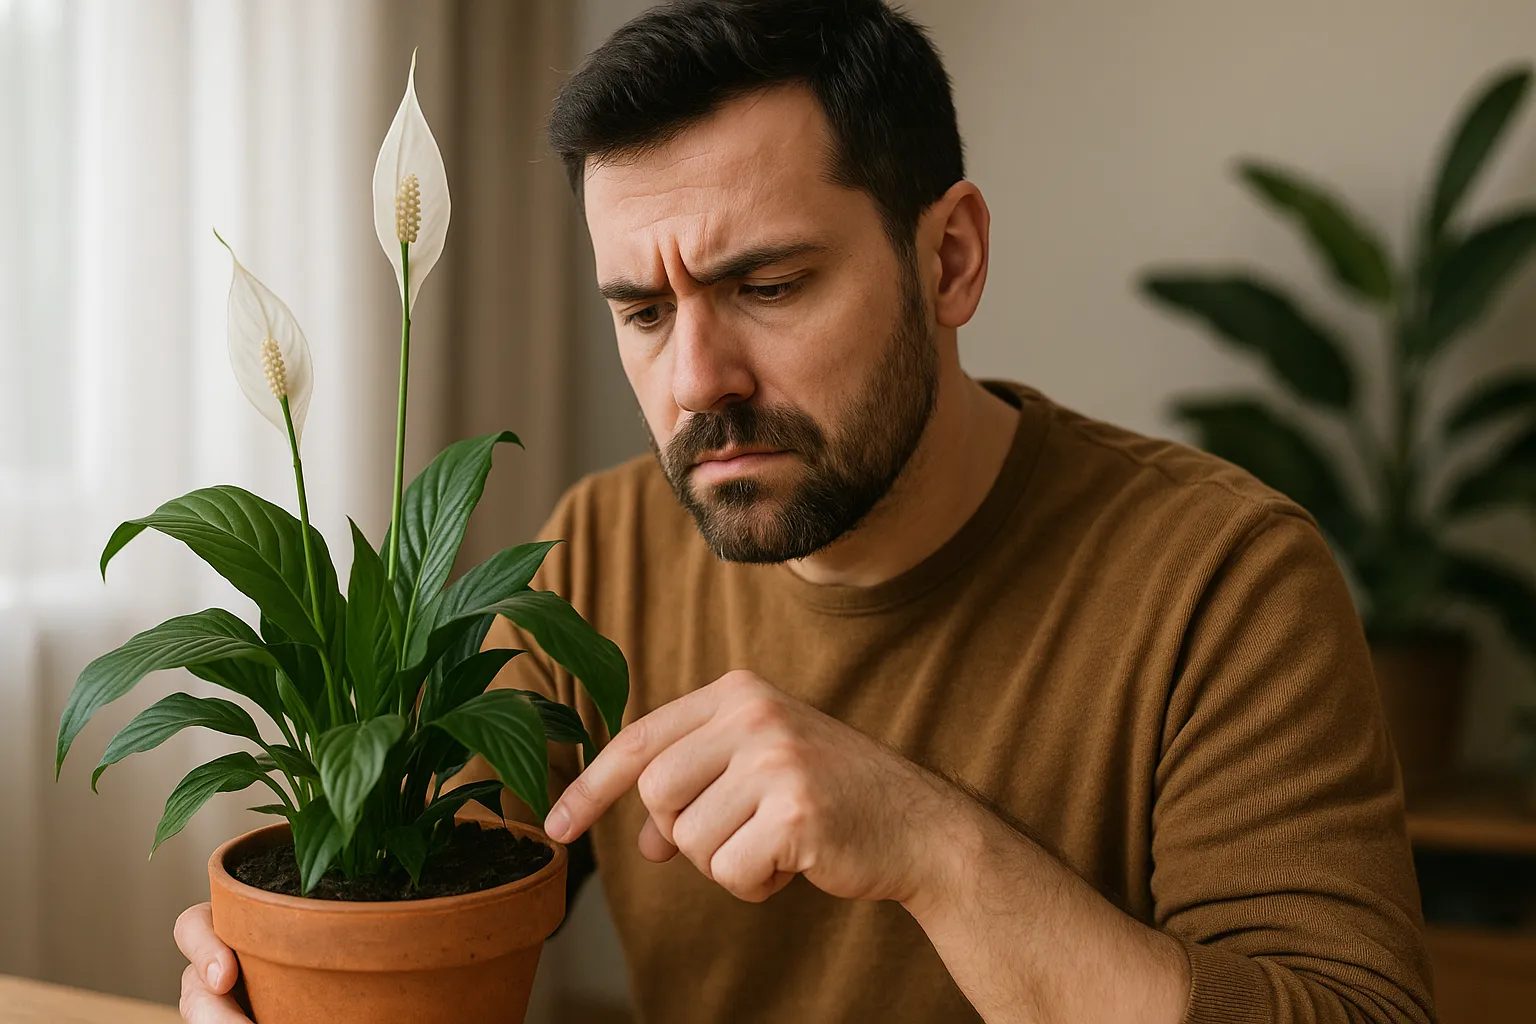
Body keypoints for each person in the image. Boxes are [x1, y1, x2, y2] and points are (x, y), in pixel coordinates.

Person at [176, 2, 1436, 1021]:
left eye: (768, 284)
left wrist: (936, 845)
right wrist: (281, 961)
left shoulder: (1223, 577)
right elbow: (411, 886)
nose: (695, 382)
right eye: (644, 312)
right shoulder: (603, 548)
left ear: (948, 260)